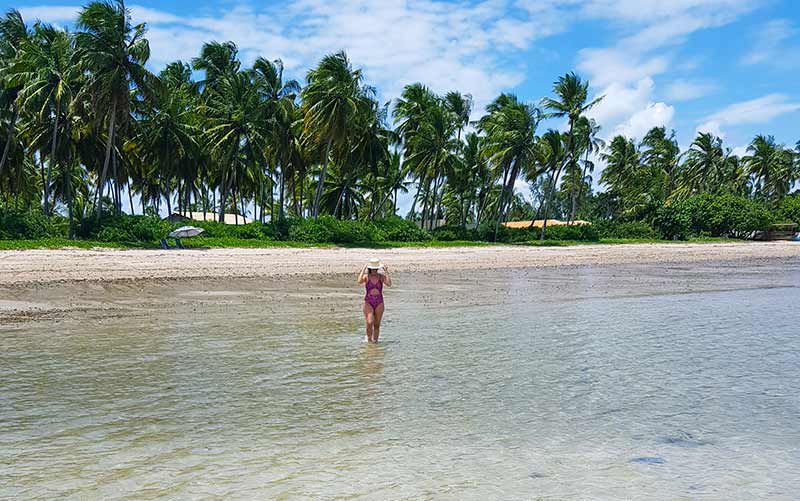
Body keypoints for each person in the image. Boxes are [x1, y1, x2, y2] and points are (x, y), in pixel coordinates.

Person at [357, 257, 392, 343]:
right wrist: (363, 269)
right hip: (369, 301)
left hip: (379, 301)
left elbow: (389, 284)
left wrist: (386, 271)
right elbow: (359, 281)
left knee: (376, 324)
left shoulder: (381, 277)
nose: (374, 271)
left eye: (376, 269)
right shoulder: (366, 277)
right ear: (370, 269)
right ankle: (369, 340)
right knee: (369, 322)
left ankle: (375, 342)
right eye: (372, 269)